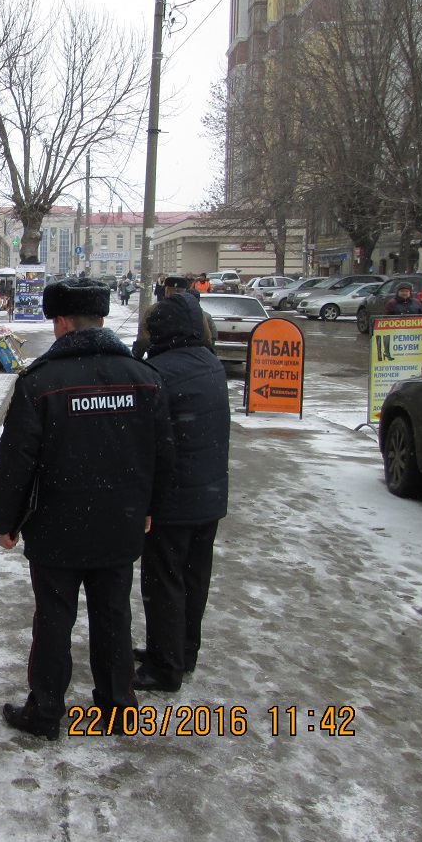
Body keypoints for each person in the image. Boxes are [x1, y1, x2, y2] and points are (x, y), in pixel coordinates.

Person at [0, 277, 174, 740]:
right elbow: (164, 453)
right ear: (102, 321)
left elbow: (17, 460)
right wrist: (151, 507)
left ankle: (46, 711)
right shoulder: (144, 377)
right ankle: (117, 708)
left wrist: (5, 521)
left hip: (57, 525)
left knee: (53, 620)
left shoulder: (42, 382)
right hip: (120, 522)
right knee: (113, 617)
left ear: (63, 323)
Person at [133, 294, 230, 692]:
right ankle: (182, 651)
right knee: (193, 579)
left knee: (163, 582)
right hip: (208, 496)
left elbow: (149, 443)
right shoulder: (211, 364)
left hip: (173, 501)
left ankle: (164, 666)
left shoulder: (158, 372)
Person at [132, 276, 214, 358]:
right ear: (185, 291)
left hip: (160, 359)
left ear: (166, 290)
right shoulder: (194, 309)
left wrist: (137, 356)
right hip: (191, 358)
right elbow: (206, 338)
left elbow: (143, 339)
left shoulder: (154, 309)